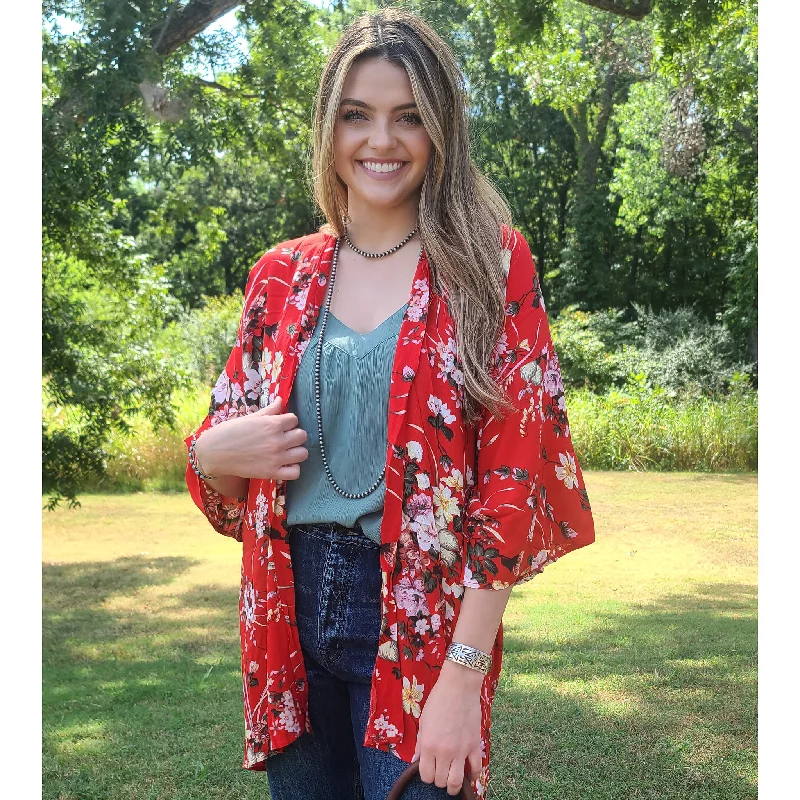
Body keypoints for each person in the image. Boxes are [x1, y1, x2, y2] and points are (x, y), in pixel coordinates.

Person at [185, 8, 595, 800]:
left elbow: (515, 481)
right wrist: (207, 455)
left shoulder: (488, 263)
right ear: (328, 130)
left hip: (422, 616)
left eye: (408, 116)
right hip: (285, 614)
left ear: (441, 128)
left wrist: (464, 678)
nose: (381, 140)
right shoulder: (281, 275)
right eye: (357, 116)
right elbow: (225, 460)